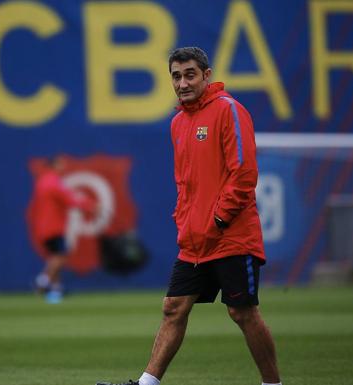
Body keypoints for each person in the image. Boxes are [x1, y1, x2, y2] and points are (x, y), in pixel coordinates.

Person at [96, 47, 282, 385]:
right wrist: (185, 221)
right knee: (173, 307)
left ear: (206, 75)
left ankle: (273, 384)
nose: (183, 83)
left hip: (232, 236)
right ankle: (147, 384)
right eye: (177, 76)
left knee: (242, 312)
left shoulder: (230, 110)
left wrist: (219, 220)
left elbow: (243, 174)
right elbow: (184, 183)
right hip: (195, 240)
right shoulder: (178, 122)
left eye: (190, 74)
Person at [27, 156, 93, 304]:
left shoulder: (43, 181)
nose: (63, 168)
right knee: (61, 256)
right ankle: (42, 281)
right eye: (60, 165)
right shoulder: (52, 182)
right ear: (53, 166)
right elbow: (69, 199)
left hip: (44, 226)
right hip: (53, 227)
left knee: (55, 256)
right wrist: (90, 205)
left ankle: (56, 291)